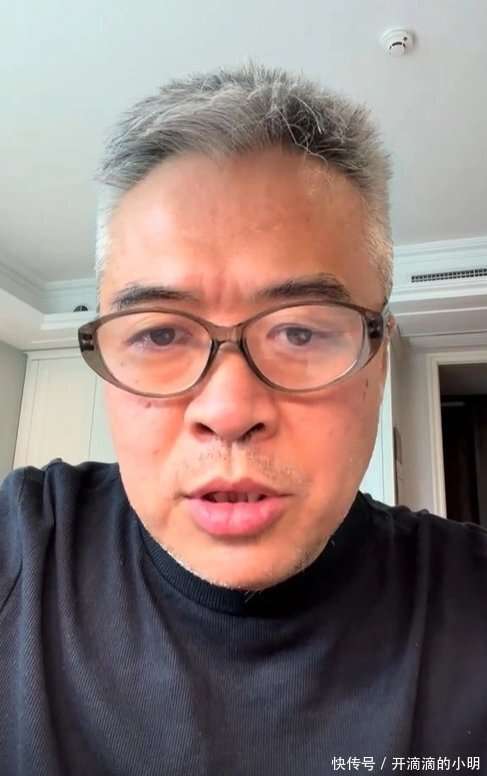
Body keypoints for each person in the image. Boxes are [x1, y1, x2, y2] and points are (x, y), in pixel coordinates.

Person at [0, 62, 485, 775]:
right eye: (160, 333)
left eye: (299, 331)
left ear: (379, 358)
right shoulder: (23, 550)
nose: (227, 411)